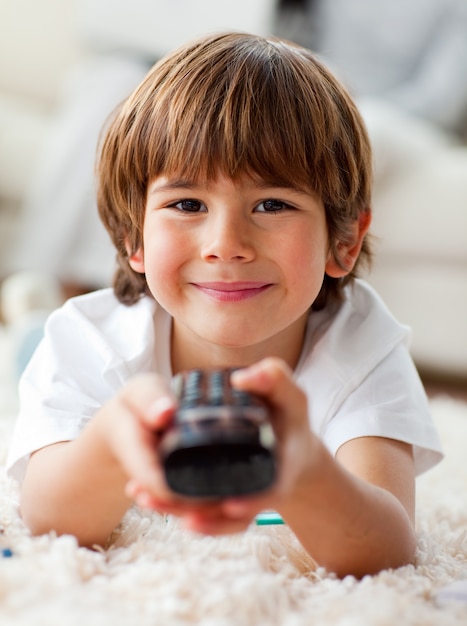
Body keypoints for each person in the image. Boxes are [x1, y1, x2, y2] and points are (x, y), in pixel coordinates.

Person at [6, 32, 442, 578]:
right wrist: (110, 441)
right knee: (31, 350)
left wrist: (306, 469)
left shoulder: (363, 345)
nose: (227, 243)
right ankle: (27, 321)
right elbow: (50, 520)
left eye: (272, 204)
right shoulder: (89, 338)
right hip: (74, 347)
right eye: (187, 203)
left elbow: (388, 549)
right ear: (131, 239)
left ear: (344, 242)